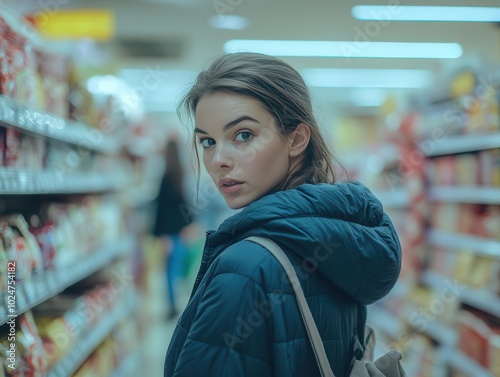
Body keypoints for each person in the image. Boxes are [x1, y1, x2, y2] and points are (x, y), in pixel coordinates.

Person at [164, 52, 401, 377]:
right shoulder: (338, 239)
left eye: (243, 135)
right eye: (207, 141)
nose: (218, 159)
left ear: (297, 138)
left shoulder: (247, 268)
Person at [153, 135, 193, 320]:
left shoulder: (166, 178)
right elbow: (185, 204)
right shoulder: (181, 175)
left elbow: (161, 209)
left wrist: (160, 234)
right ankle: (185, 303)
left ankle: (171, 306)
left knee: (169, 271)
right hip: (181, 233)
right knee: (179, 269)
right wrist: (189, 225)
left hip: (169, 234)